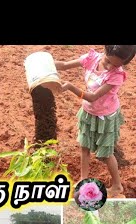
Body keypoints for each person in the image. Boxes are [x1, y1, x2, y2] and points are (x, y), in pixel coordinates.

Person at [55, 45, 136, 198]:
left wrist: (70, 87)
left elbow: (93, 97)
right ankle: (83, 180)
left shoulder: (116, 76)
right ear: (105, 51)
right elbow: (64, 65)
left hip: (105, 116)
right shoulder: (91, 58)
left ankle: (117, 186)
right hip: (88, 113)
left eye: (116, 65)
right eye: (108, 62)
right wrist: (45, 64)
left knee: (106, 154)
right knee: (84, 147)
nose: (110, 67)